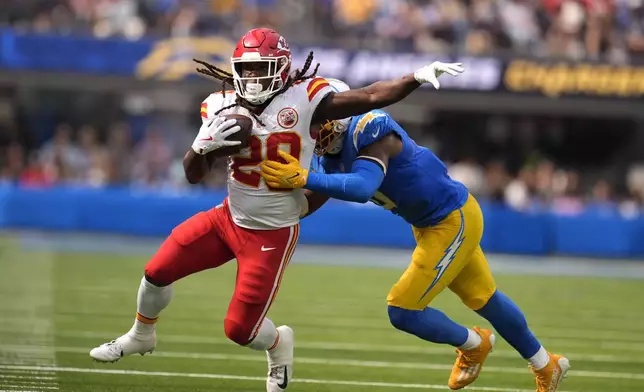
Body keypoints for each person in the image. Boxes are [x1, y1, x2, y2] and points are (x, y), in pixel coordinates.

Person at [88, 28, 465, 392]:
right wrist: (199, 149)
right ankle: (141, 334)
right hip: (227, 218)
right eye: (246, 67)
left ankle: (278, 343)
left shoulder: (307, 98)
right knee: (156, 270)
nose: (251, 76)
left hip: (271, 233)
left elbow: (369, 96)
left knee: (240, 330)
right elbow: (192, 175)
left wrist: (415, 76)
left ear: (282, 67)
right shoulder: (220, 104)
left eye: (260, 67)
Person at [258, 78, 570, 392]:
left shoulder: (370, 129)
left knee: (403, 309)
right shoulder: (329, 159)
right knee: (485, 299)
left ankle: (474, 344)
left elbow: (363, 186)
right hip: (433, 224)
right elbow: (313, 199)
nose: (314, 130)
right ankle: (547, 364)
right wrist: (276, 205)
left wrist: (302, 176)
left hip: (451, 219)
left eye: (319, 120)